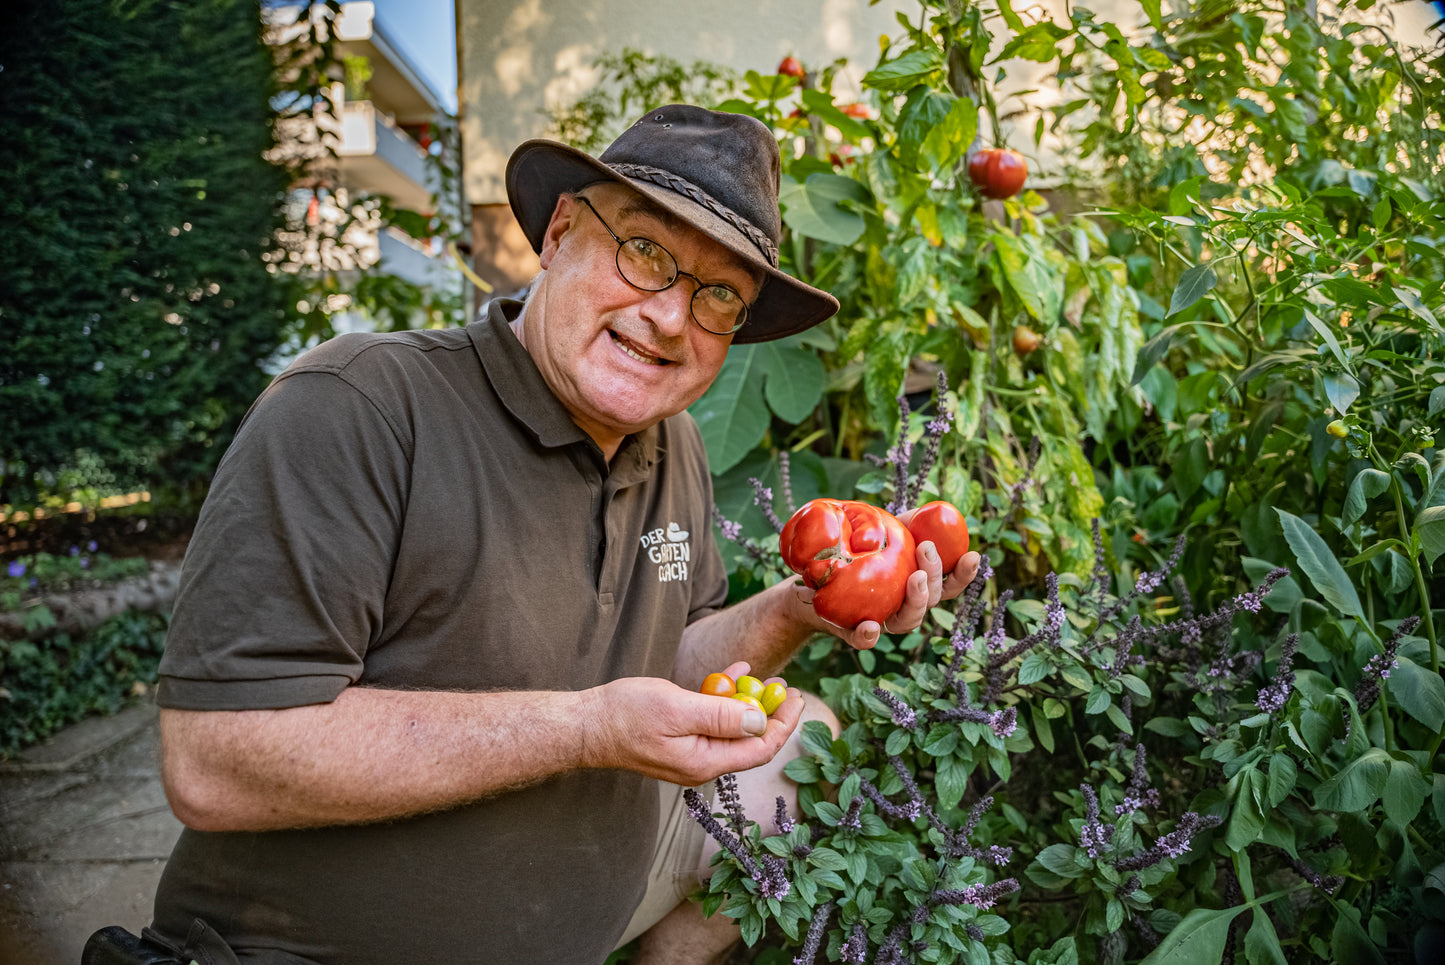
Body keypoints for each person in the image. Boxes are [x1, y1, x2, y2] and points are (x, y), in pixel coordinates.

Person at [140, 105, 981, 964]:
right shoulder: (356, 407)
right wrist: (585, 729)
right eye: (646, 252)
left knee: (803, 739)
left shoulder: (673, 441)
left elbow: (675, 663)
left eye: (718, 295)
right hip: (305, 947)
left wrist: (802, 609)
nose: (667, 316)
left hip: (586, 899)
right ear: (560, 231)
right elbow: (216, 762)